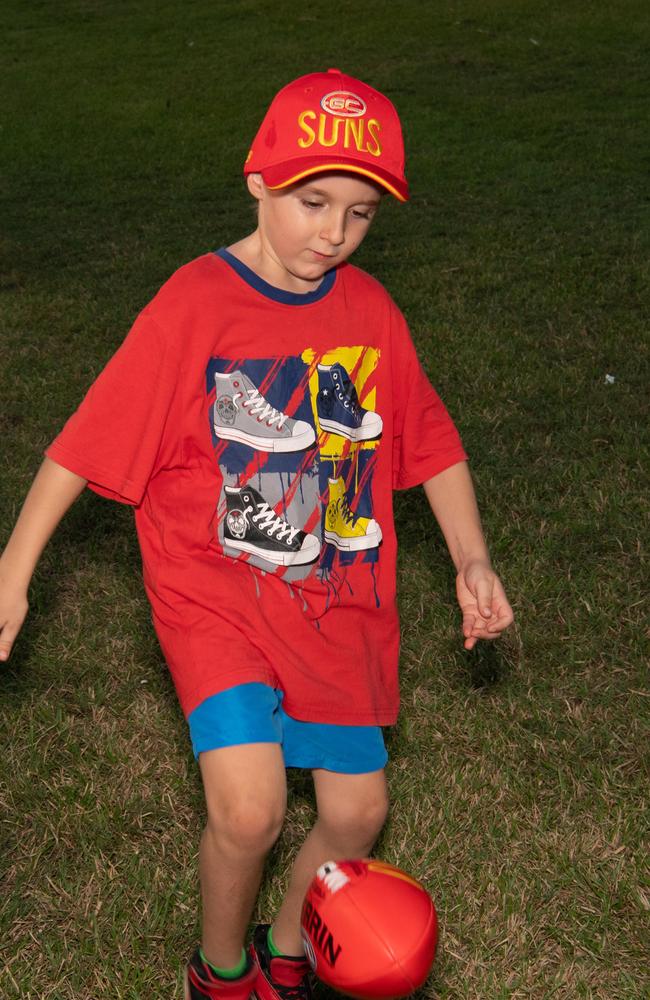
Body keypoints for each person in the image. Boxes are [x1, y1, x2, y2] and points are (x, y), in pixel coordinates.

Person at [0, 69, 514, 1000]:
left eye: (360, 214)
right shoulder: (195, 304)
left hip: (337, 605)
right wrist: (13, 567)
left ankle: (292, 943)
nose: (334, 233)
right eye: (313, 201)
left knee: (357, 817)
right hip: (218, 598)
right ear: (257, 180)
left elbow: (431, 443)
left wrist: (472, 559)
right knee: (251, 811)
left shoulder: (371, 313)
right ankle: (223, 969)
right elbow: (86, 441)